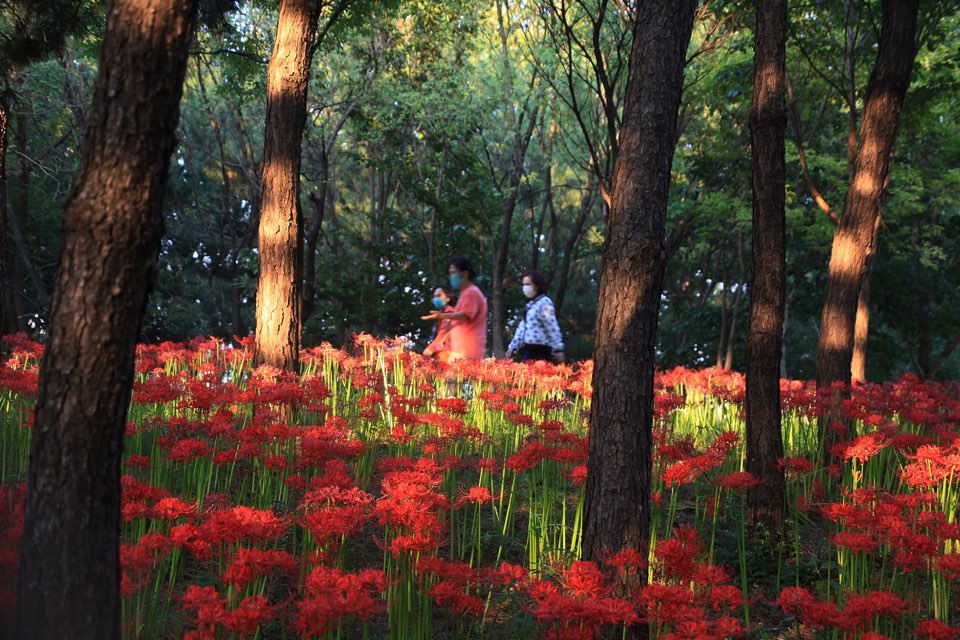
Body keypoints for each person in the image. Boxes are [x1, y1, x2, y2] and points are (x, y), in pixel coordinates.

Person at [421, 256, 487, 361]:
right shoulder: (466, 293)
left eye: (453, 273)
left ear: (464, 274)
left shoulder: (471, 292)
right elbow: (459, 325)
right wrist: (446, 337)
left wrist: (441, 315)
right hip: (460, 349)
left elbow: (465, 315)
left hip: (466, 351)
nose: (451, 277)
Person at [506, 269, 565, 363]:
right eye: (524, 284)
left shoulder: (545, 303)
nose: (525, 287)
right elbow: (522, 327)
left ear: (537, 286)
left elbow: (551, 326)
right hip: (528, 349)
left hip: (541, 351)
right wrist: (513, 345)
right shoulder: (530, 305)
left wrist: (558, 349)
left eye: (528, 284)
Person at [423, 285, 454, 362]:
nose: (436, 299)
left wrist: (431, 349)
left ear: (448, 298)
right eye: (434, 297)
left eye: (439, 295)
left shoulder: (450, 313)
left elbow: (443, 333)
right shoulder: (441, 315)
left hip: (446, 355)